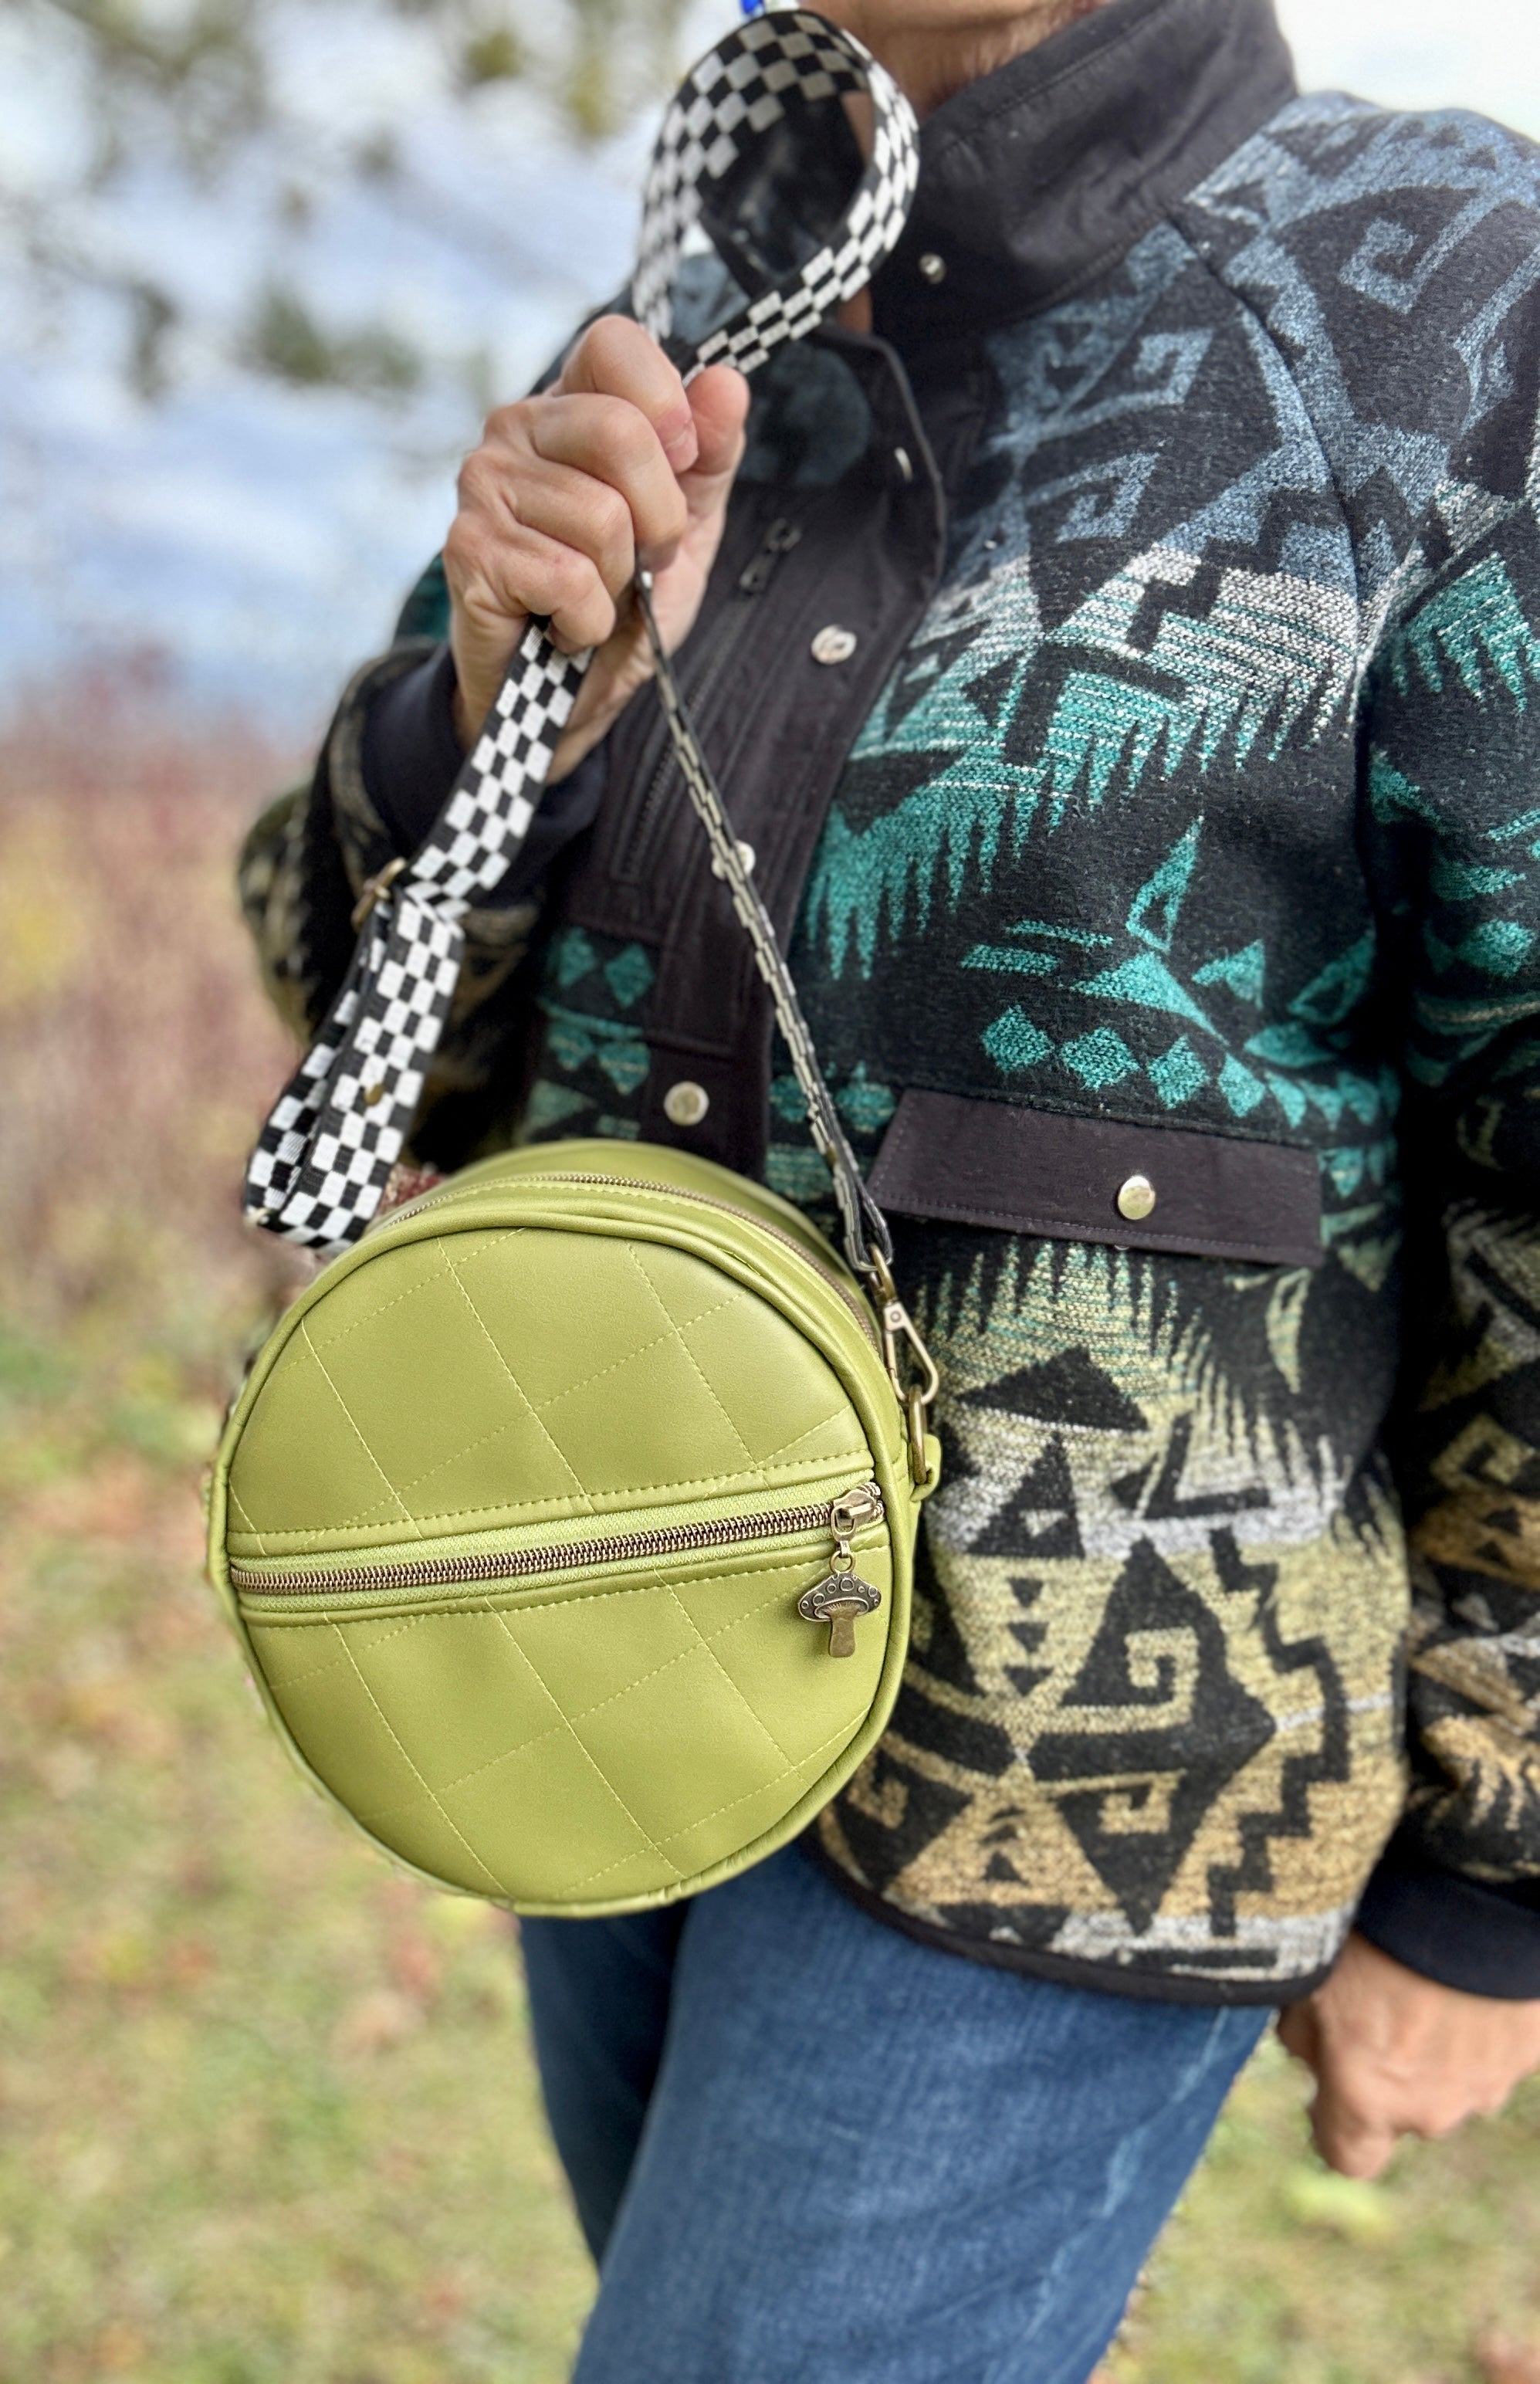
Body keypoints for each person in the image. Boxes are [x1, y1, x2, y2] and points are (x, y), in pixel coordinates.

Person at [238, 0, 1540, 2373]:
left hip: (1073, 1775)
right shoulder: (695, 303)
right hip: (592, 1624)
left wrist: (1494, 1872)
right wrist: (487, 703)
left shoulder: (1444, 296)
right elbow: (330, 971)